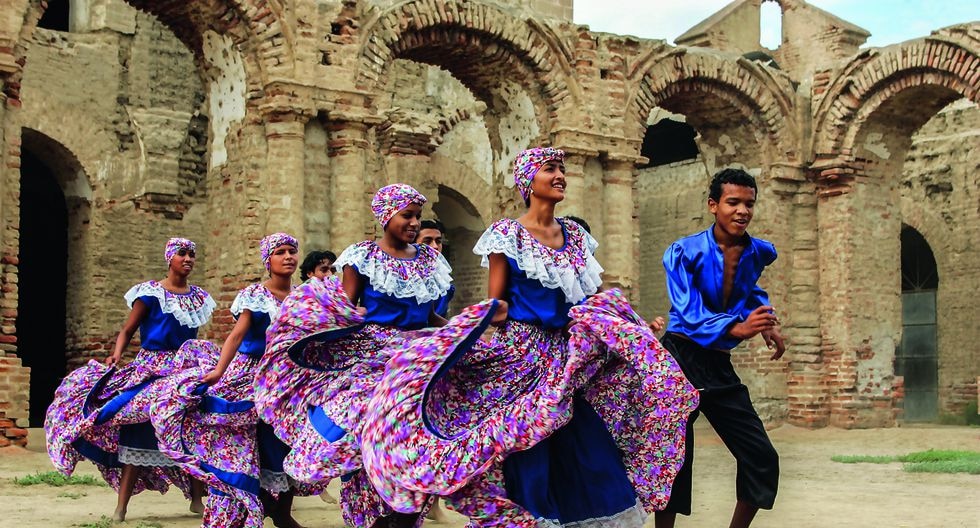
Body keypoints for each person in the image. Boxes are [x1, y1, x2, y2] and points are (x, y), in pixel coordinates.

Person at [357, 147, 698, 526]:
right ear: (528, 181)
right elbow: (497, 303)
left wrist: (628, 327)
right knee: (526, 450)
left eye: (562, 169)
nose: (560, 176)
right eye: (550, 169)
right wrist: (468, 327)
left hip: (566, 359)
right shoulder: (507, 235)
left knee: (588, 450)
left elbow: (591, 297)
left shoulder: (577, 238)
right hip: (520, 359)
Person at [254, 183, 454, 527]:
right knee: (366, 428)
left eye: (417, 217)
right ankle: (375, 511)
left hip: (422, 357)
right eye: (407, 215)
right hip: (376, 356)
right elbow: (343, 309)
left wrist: (460, 330)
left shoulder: (430, 260)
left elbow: (431, 315)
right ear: (386, 216)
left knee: (422, 435)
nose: (414, 223)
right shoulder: (362, 256)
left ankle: (403, 510)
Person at [150, 233, 316, 528]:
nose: (289, 256)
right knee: (246, 439)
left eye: (292, 251)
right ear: (269, 261)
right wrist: (218, 371)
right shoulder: (256, 295)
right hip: (252, 373)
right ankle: (249, 502)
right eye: (280, 252)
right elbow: (237, 335)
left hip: (289, 378)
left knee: (290, 441)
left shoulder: (305, 295)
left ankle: (282, 511)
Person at [45, 237, 215, 522]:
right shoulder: (150, 294)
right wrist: (116, 354)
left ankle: (198, 499)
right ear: (169, 258)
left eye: (192, 255)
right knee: (136, 425)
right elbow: (128, 329)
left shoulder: (199, 298)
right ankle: (121, 507)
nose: (188, 259)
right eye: (182, 254)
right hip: (151, 369)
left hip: (186, 370)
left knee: (192, 427)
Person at [654, 168, 784, 528]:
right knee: (675, 456)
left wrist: (766, 322)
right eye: (733, 202)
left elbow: (749, 287)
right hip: (678, 358)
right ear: (713, 205)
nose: (742, 211)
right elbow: (687, 310)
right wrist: (738, 328)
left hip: (717, 364)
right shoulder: (683, 252)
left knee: (761, 455)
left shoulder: (757, 251)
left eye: (749, 204)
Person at [418, 219, 455, 319]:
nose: (435, 246)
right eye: (427, 241)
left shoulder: (443, 280)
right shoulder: (403, 279)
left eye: (438, 241)